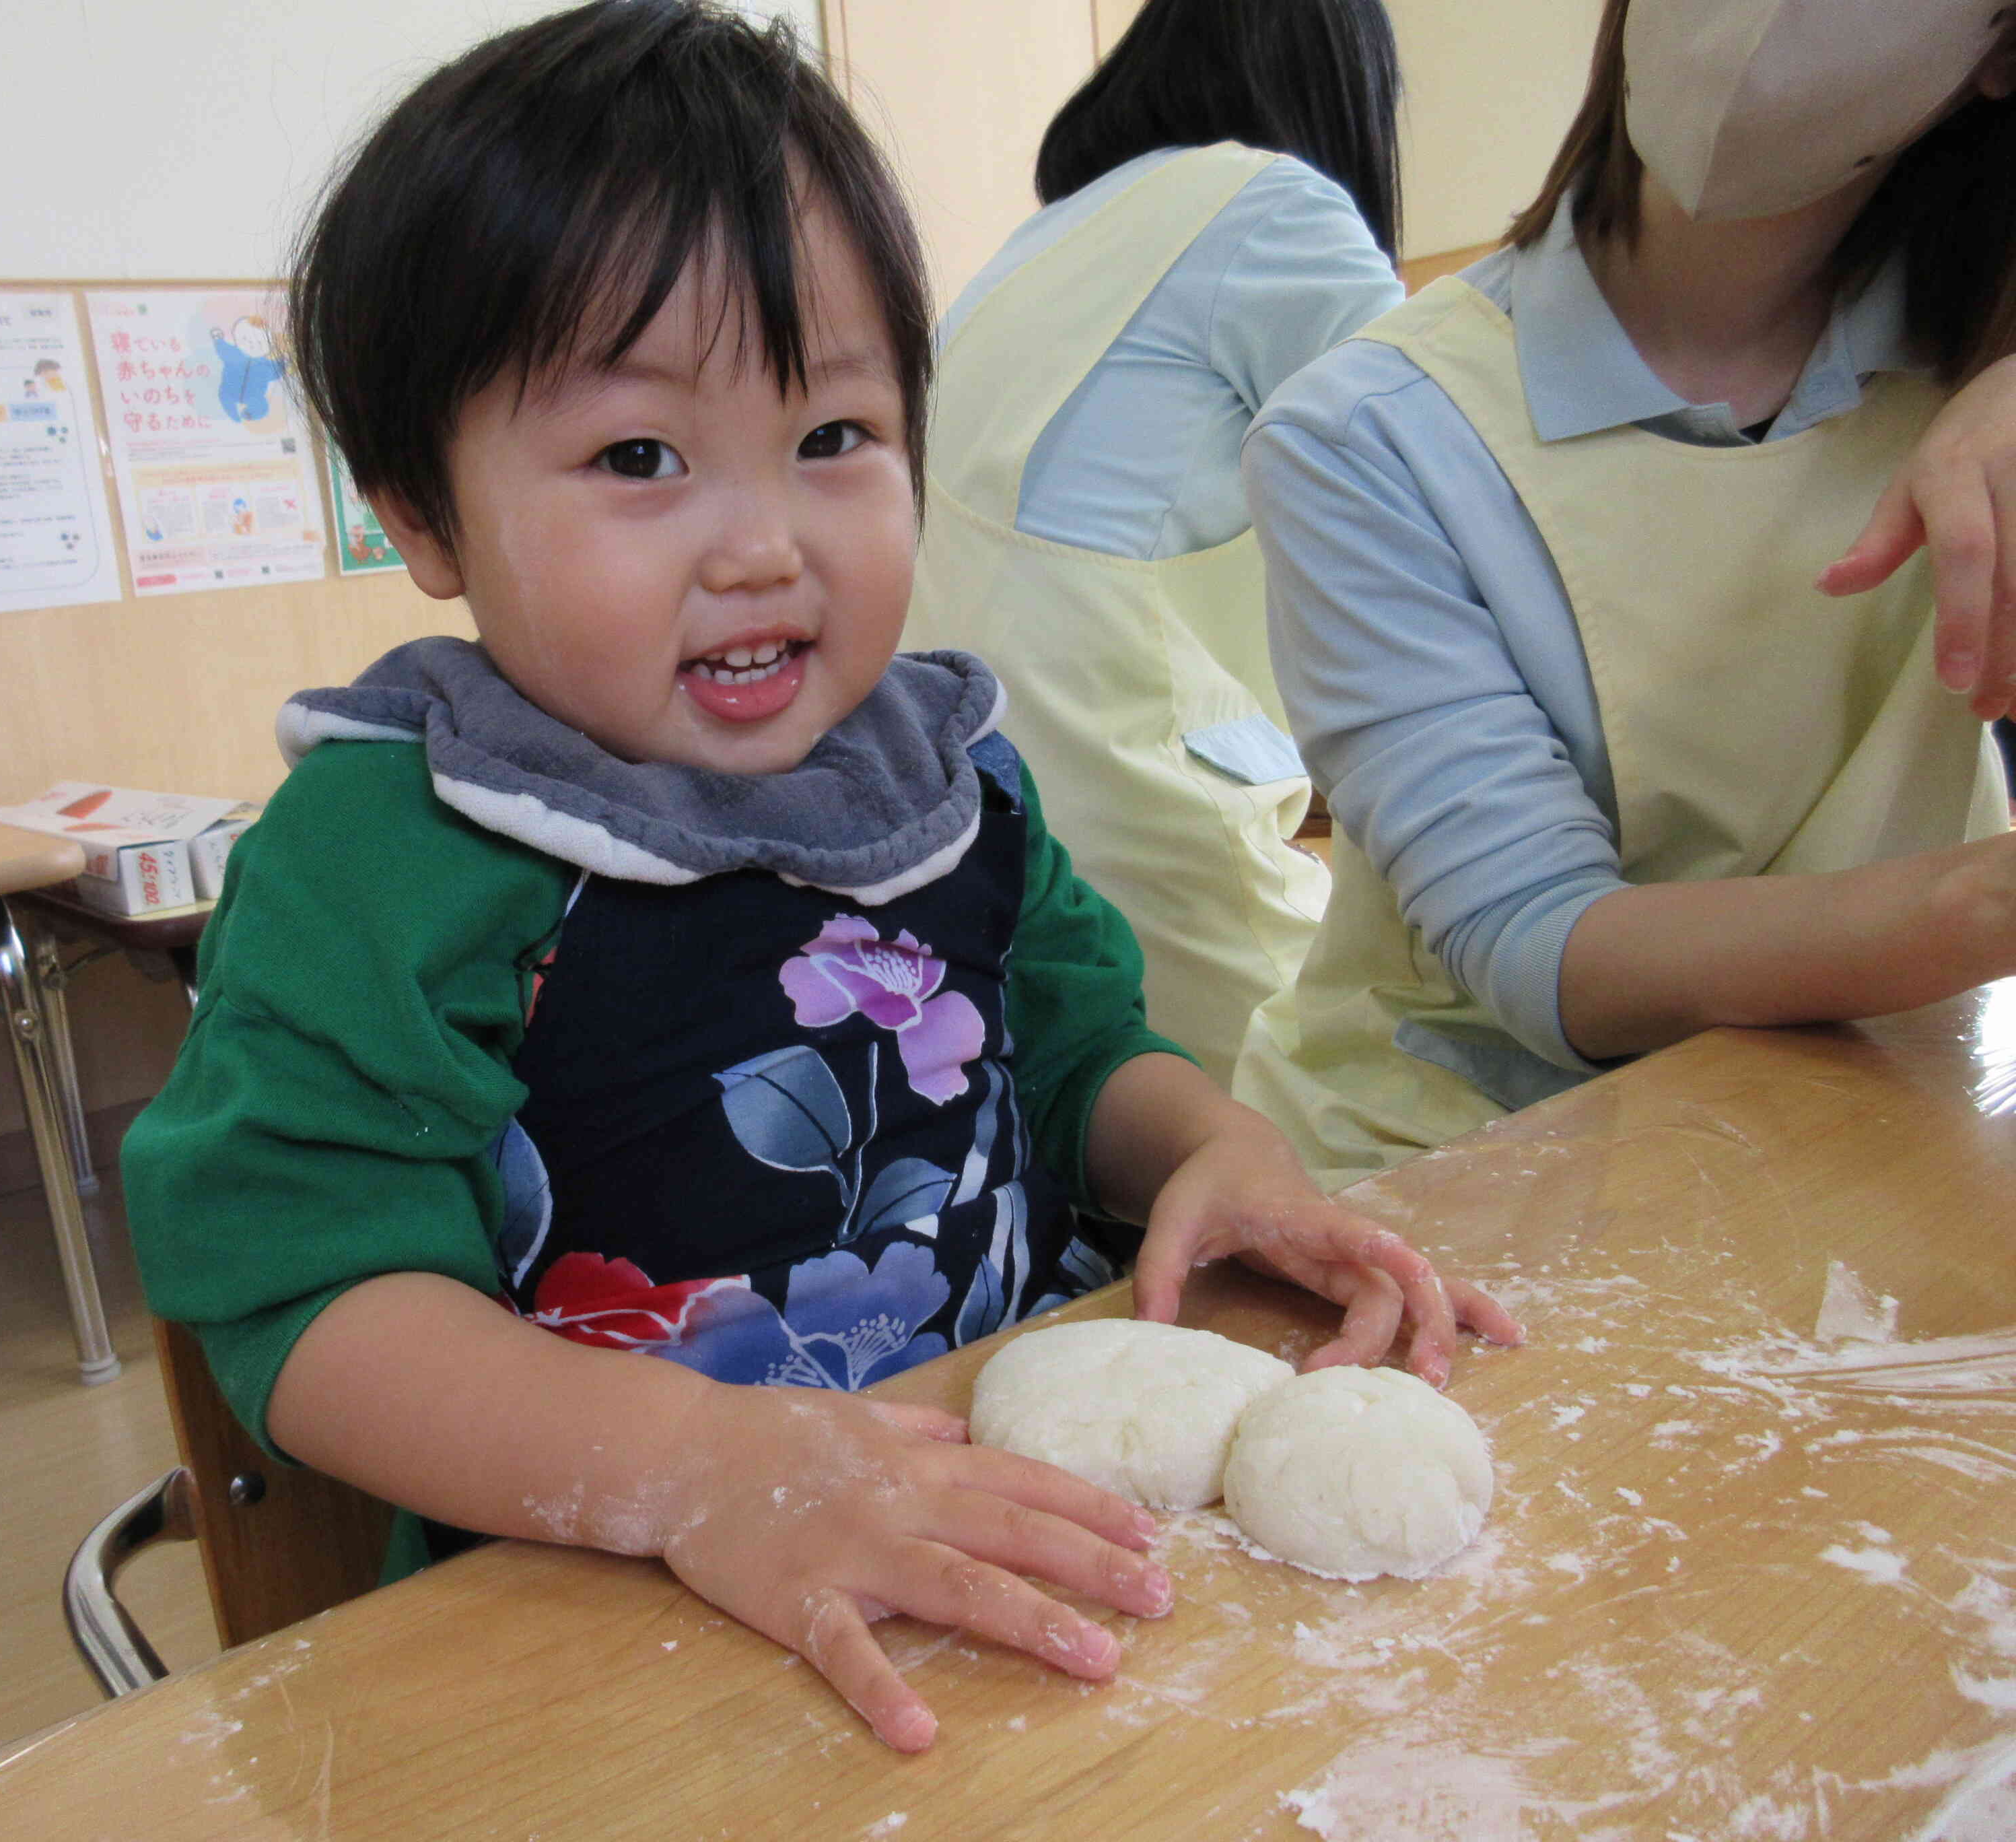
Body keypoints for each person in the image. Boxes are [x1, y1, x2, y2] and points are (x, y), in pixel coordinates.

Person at [121, 1, 1516, 1754]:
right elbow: (308, 1302)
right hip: (616, 1635)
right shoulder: (395, 852)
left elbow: (1078, 1057)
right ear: (420, 511)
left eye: (835, 435)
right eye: (640, 458)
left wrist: (1214, 1152)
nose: (766, 546)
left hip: (1003, 1550)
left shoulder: (946, 778)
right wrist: (696, 1470)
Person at [1230, 0, 2016, 1189]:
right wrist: (1980, 904)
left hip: (1870, 1109)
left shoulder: (1974, 358)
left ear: (1997, 53)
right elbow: (1545, 944)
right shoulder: (1369, 432)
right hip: (1460, 1160)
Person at [901, 0, 1405, 1079]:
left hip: (978, 811)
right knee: (1366, 1084)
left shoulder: (1042, 242)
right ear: (1341, 89)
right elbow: (1450, 489)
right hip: (1126, 803)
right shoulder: (1272, 205)